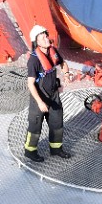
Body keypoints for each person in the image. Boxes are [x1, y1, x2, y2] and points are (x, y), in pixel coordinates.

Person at [24, 25, 71, 162]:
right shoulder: (34, 60)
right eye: (42, 37)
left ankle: (56, 149)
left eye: (46, 35)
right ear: (36, 42)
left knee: (57, 123)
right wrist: (40, 102)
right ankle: (30, 151)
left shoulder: (53, 51)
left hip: (53, 96)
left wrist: (66, 75)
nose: (46, 38)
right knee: (35, 126)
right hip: (39, 97)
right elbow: (30, 84)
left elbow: (63, 64)